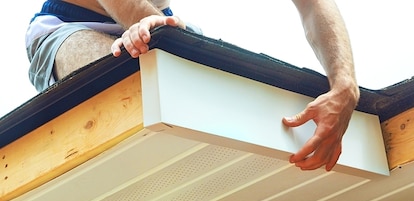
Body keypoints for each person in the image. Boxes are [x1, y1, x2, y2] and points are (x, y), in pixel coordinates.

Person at [26, 0, 359, 172]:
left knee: (214, 103)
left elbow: (314, 5)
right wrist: (168, 35)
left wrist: (345, 84)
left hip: (163, 21)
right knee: (137, 87)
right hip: (70, 24)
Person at [25, 0, 201, 92]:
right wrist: (167, 33)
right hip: (68, 24)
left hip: (156, 18)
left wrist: (167, 26)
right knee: (122, 79)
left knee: (212, 71)